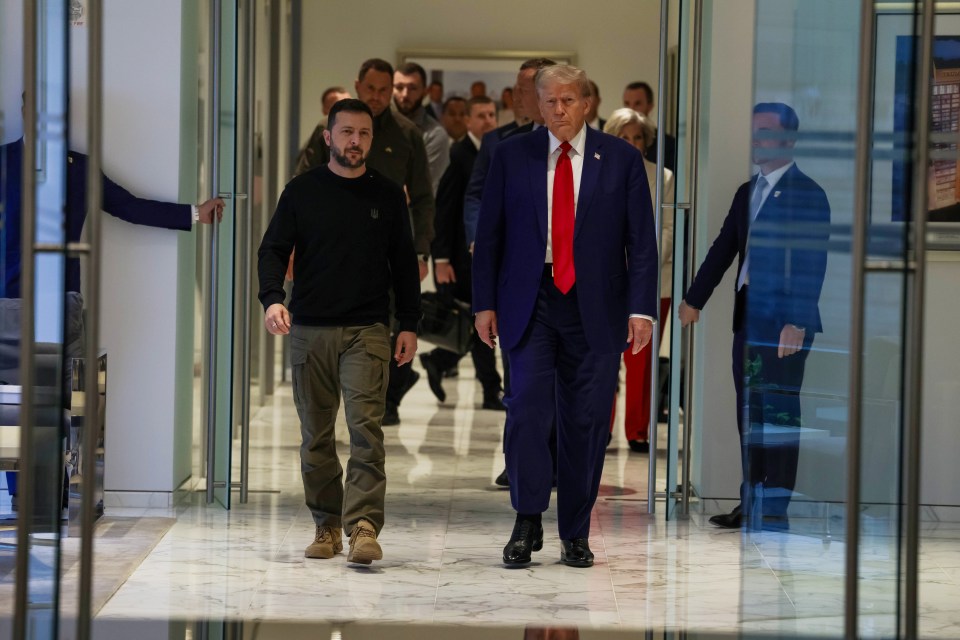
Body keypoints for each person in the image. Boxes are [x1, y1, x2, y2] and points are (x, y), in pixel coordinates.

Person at [472, 65, 659, 567]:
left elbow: (641, 242)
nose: (559, 109)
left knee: (586, 419)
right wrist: (483, 303)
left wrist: (642, 309)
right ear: (536, 104)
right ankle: (527, 518)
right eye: (549, 101)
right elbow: (489, 235)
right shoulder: (512, 156)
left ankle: (575, 530)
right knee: (528, 408)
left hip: (595, 305)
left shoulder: (620, 159)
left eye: (568, 100)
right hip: (528, 302)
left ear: (586, 103)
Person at [257, 98, 420, 564]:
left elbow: (404, 265)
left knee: (366, 429)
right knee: (315, 434)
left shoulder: (388, 195)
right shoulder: (302, 191)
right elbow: (272, 250)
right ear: (328, 137)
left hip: (367, 328)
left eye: (364, 133)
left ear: (373, 139)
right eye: (346, 132)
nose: (355, 141)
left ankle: (364, 527)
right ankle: (326, 525)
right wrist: (272, 299)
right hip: (310, 329)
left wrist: (408, 323)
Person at [678, 102, 830, 530]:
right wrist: (694, 300)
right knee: (750, 413)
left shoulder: (808, 194)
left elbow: (811, 262)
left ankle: (775, 509)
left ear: (789, 139)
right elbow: (723, 250)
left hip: (785, 325)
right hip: (748, 320)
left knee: (778, 417)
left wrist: (797, 321)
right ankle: (751, 502)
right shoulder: (748, 192)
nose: (756, 140)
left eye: (764, 132)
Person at [293, 58, 436, 427]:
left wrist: (421, 249)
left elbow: (422, 197)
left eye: (384, 90)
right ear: (358, 86)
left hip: (388, 249)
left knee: (387, 325)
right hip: (329, 252)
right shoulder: (331, 130)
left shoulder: (407, 135)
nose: (377, 96)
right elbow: (300, 186)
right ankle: (337, 399)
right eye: (371, 89)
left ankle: (380, 401)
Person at [463, 57, 556, 489]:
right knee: (520, 378)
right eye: (521, 89)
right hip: (516, 278)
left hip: (570, 280)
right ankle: (519, 460)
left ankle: (554, 459)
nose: (523, 97)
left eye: (531, 88)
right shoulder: (500, 143)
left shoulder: (588, 146)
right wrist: (481, 236)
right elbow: (477, 196)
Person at [419, 96, 504, 411]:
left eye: (492, 115)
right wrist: (440, 259)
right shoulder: (459, 155)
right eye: (480, 115)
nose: (488, 121)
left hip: (481, 258)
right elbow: (444, 211)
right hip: (458, 259)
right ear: (467, 121)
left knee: (476, 325)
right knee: (478, 323)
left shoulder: (495, 152)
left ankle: (439, 360)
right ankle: (491, 391)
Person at [603, 108, 675, 452]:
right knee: (602, 358)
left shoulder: (663, 177)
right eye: (624, 137)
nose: (632, 144)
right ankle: (600, 425)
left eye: (637, 137)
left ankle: (638, 429)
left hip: (651, 282)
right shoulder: (595, 170)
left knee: (641, 361)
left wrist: (640, 269)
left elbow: (668, 231)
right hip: (604, 281)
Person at [394, 62, 450, 195]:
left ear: (425, 91)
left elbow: (416, 188)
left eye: (412, 88)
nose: (405, 94)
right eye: (399, 87)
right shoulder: (379, 126)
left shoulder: (435, 134)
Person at [622, 81, 676, 172]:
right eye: (627, 104)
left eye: (637, 104)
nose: (631, 109)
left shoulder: (667, 146)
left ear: (650, 106)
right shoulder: (612, 141)